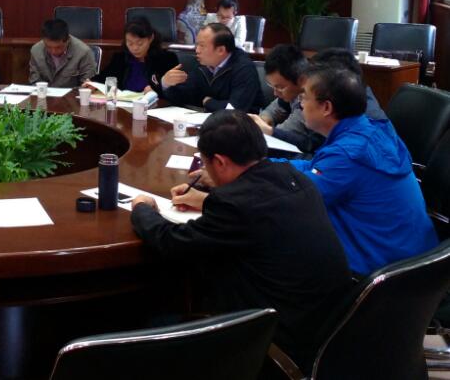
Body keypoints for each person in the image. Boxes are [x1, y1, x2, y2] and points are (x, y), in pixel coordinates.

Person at [130, 110, 351, 370]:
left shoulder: (234, 205)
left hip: (273, 344)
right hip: (327, 333)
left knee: (151, 324)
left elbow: (171, 242)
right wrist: (213, 193)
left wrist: (142, 208)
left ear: (220, 162)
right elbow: (259, 208)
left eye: (206, 163)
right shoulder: (293, 177)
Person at [279, 64, 437, 276]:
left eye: (305, 97)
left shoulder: (348, 154)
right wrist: (267, 164)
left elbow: (296, 199)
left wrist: (253, 173)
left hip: (381, 273)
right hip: (415, 261)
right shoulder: (371, 130)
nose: (300, 104)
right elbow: (314, 167)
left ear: (326, 107)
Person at [251, 47, 388, 155]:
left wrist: (270, 132)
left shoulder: (357, 139)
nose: (302, 103)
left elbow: (313, 150)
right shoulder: (342, 108)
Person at [161, 23, 264, 112]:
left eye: (202, 46)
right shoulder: (203, 64)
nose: (197, 50)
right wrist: (166, 83)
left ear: (221, 50)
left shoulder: (244, 68)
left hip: (241, 125)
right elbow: (184, 95)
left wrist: (208, 102)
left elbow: (235, 109)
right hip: (208, 120)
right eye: (197, 45)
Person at [87, 16, 178, 96]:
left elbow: (177, 92)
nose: (135, 48)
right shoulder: (121, 58)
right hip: (124, 106)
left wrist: (159, 87)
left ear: (151, 38)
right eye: (130, 43)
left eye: (140, 43)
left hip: (154, 107)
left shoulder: (167, 59)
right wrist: (92, 84)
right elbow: (104, 78)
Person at [28, 19, 97, 88]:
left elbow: (87, 85)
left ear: (68, 40)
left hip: (73, 94)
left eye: (58, 47)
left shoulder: (83, 52)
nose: (53, 51)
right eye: (48, 47)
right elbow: (34, 81)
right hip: (44, 93)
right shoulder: (36, 51)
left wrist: (88, 85)